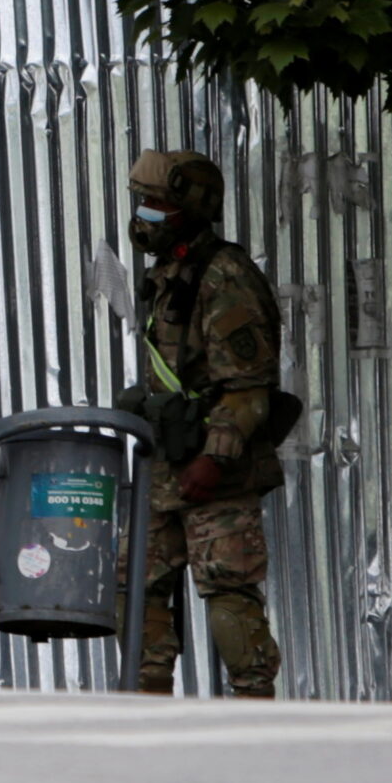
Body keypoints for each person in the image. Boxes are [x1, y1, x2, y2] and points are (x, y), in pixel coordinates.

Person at [115, 149, 286, 698]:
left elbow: (249, 387)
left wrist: (214, 459)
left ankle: (257, 714)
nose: (146, 214)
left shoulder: (224, 275)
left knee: (228, 594)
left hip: (216, 474)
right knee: (134, 589)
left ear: (191, 209)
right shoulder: (170, 272)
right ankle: (149, 708)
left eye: (158, 203)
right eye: (142, 202)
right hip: (166, 469)